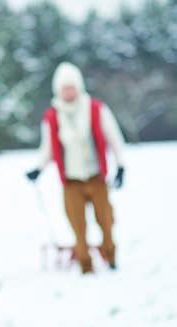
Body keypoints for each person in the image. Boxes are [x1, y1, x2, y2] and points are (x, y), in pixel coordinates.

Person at [26, 62, 125, 274]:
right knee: (77, 226)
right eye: (64, 88)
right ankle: (85, 265)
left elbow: (114, 138)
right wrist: (38, 168)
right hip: (71, 181)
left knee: (106, 220)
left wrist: (121, 166)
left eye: (71, 87)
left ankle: (110, 255)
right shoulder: (53, 115)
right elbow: (48, 149)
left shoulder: (96, 108)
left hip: (96, 177)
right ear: (58, 90)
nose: (68, 91)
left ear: (78, 86)